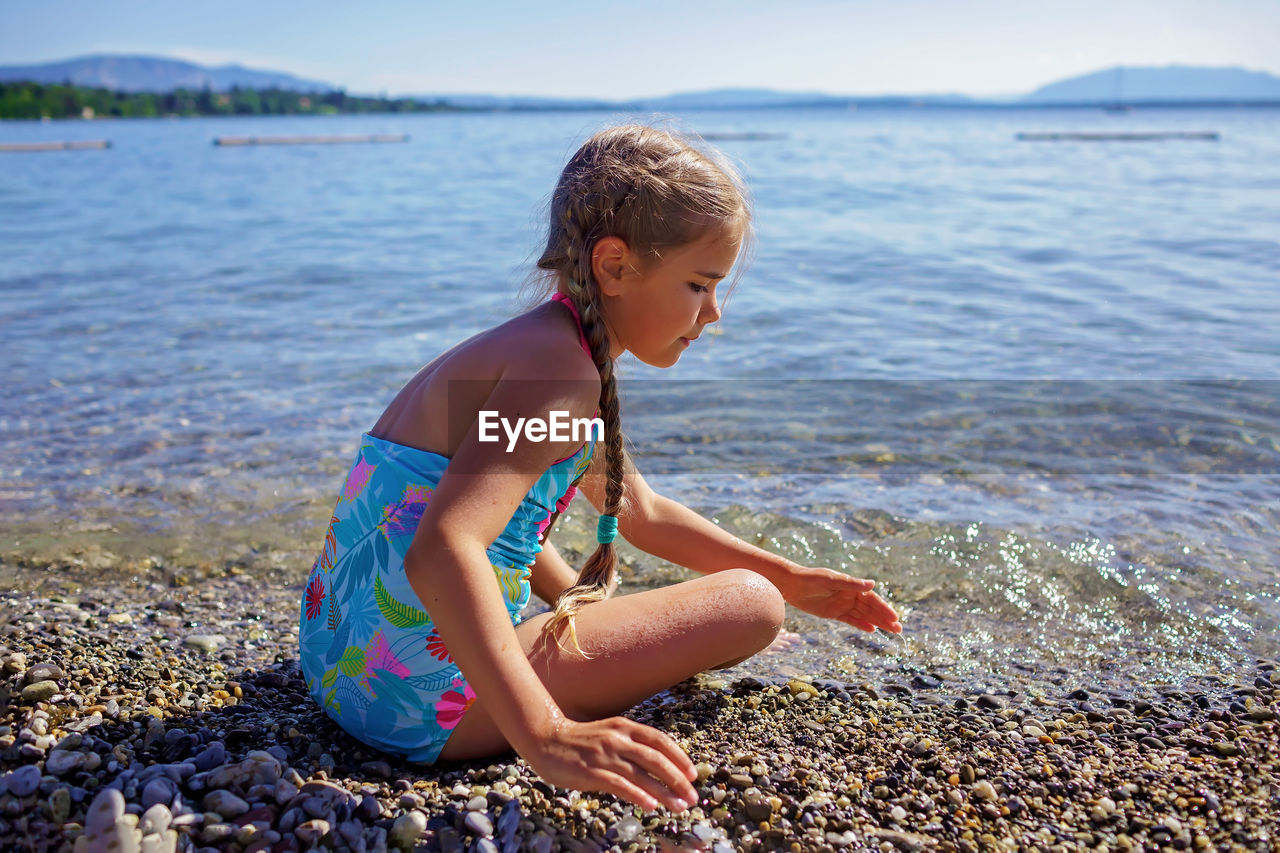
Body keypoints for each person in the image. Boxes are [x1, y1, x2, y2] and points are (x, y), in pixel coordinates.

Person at [298, 124, 901, 813]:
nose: (713, 313)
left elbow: (637, 510)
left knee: (758, 589)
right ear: (614, 266)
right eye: (700, 284)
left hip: (337, 662)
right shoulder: (560, 375)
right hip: (414, 702)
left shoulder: (533, 347)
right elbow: (444, 548)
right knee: (749, 605)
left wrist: (792, 577)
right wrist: (545, 734)